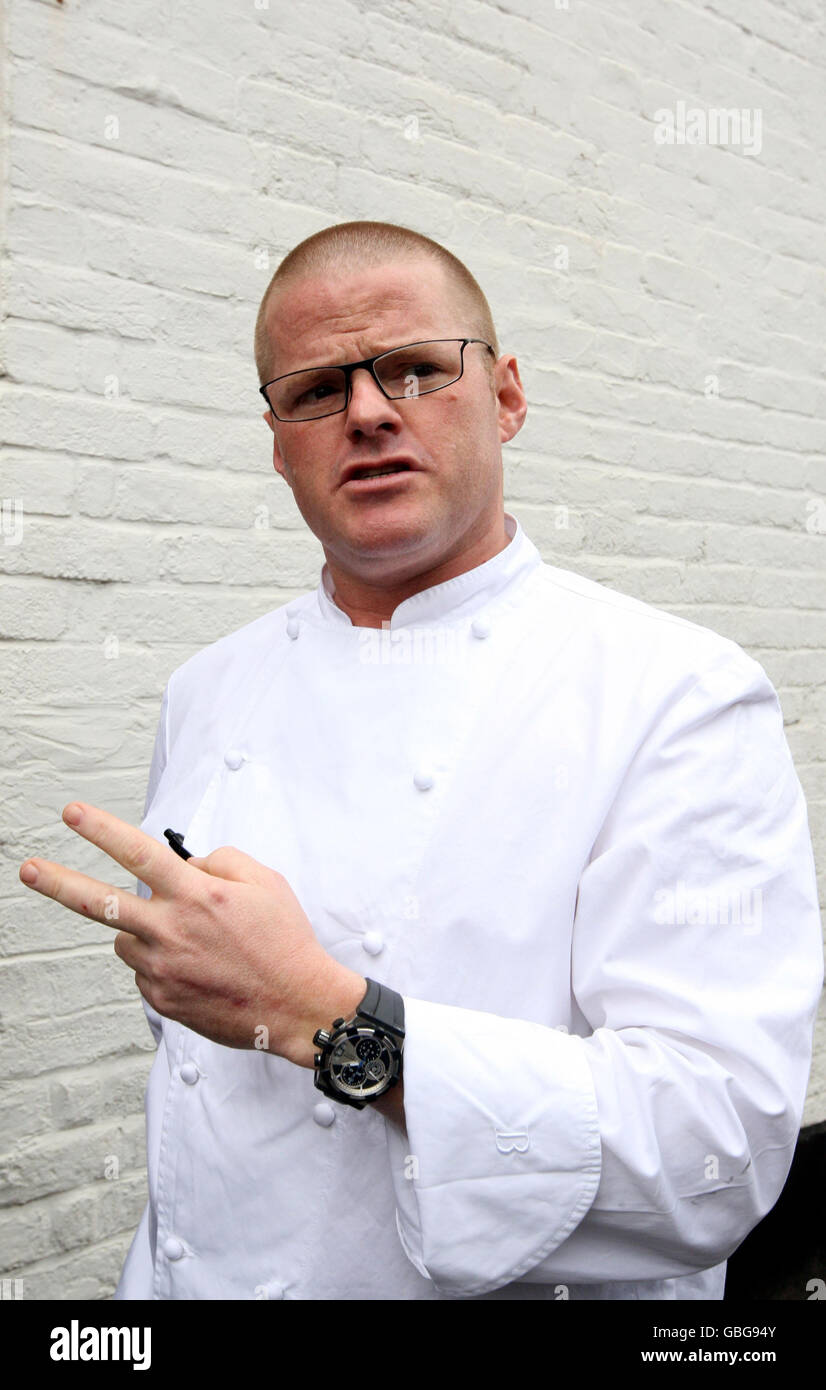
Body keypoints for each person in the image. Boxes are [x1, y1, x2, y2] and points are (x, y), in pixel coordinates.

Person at [20, 220, 823, 1301]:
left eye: (412, 369)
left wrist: (320, 1011)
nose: (365, 411)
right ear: (276, 439)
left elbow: (708, 1157)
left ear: (507, 397)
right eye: (315, 389)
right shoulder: (209, 688)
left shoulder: (672, 695)